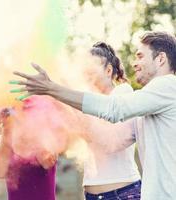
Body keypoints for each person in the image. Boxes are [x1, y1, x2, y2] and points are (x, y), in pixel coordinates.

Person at [11, 31, 176, 200]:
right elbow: (111, 141)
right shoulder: (148, 102)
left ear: (161, 58)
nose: (134, 63)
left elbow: (114, 109)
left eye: (140, 56)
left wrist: (53, 89)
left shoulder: (167, 85)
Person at [81, 42, 141, 200]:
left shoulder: (123, 92)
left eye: (91, 71)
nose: (87, 76)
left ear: (108, 70)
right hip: (91, 194)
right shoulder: (88, 101)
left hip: (122, 192)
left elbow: (109, 141)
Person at [0, 96, 60, 200]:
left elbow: (47, 163)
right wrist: (7, 128)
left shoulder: (47, 137)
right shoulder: (4, 139)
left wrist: (29, 131)